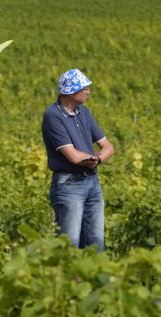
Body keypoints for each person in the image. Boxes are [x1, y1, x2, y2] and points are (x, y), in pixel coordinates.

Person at [41, 68, 114, 251]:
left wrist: (97, 159)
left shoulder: (85, 112)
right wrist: (95, 158)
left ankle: (91, 279)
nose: (88, 91)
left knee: (96, 243)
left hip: (92, 182)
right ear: (71, 92)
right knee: (69, 244)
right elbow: (73, 156)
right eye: (84, 88)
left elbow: (108, 147)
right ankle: (67, 279)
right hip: (69, 185)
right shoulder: (53, 115)